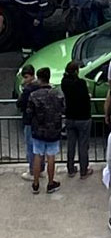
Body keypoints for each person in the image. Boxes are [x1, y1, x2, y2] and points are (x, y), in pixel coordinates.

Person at [26, 67, 64, 195]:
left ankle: (35, 184)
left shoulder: (34, 95)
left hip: (38, 131)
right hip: (53, 130)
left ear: (38, 78)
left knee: (37, 155)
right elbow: (63, 109)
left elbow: (29, 113)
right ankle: (50, 183)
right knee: (51, 156)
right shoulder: (57, 93)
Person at [61, 61, 93, 179]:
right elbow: (85, 97)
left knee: (71, 144)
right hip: (83, 117)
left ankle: (70, 169)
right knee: (83, 145)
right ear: (76, 71)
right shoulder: (81, 83)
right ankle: (83, 170)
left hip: (70, 116)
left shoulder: (64, 82)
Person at [17, 63, 38, 180]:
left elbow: (20, 103)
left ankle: (32, 171)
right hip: (40, 121)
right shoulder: (40, 86)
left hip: (29, 121)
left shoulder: (28, 90)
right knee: (39, 148)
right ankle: (40, 169)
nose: (25, 80)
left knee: (30, 147)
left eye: (25, 77)